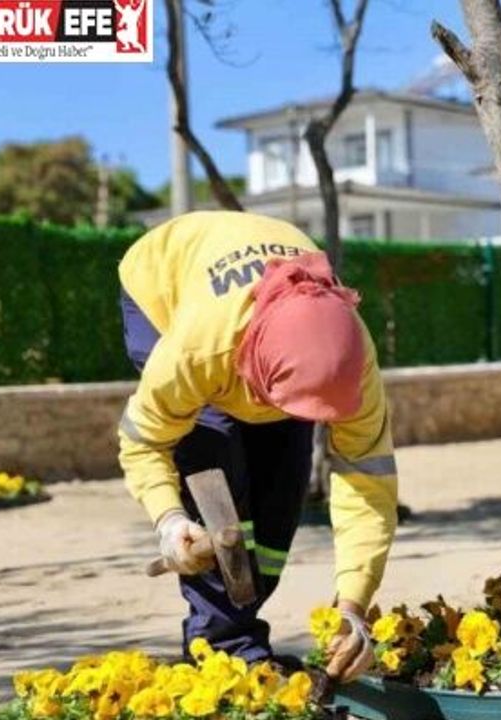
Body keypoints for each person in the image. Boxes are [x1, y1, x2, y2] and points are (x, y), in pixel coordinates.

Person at [118, 211, 396, 682]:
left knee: (281, 487)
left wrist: (353, 607)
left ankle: (238, 630)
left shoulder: (353, 358)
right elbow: (144, 440)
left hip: (273, 331)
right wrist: (169, 520)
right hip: (160, 287)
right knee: (214, 464)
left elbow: (367, 483)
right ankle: (223, 649)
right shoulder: (198, 349)